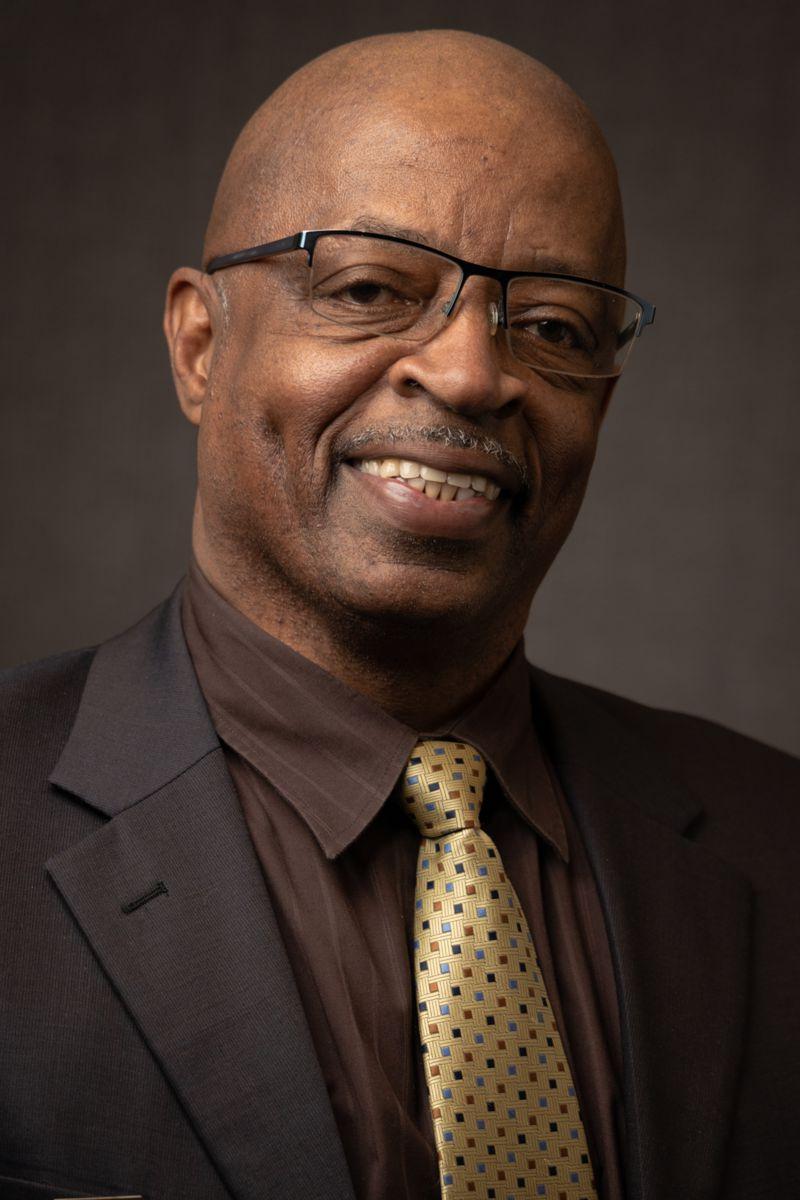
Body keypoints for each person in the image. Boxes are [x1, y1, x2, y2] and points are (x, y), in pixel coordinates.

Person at [1, 28, 797, 1200]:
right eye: (372, 288)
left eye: (554, 325)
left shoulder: (776, 844)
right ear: (198, 345)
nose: (473, 375)